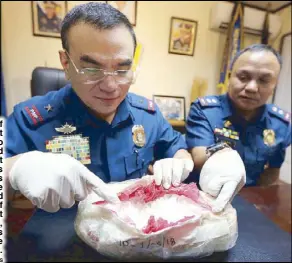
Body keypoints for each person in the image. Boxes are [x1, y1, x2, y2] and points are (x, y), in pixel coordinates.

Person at [4, 2, 194, 257]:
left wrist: (180, 161)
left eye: (122, 68)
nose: (111, 86)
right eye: (91, 68)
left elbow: (177, 147)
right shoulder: (31, 119)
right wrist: (15, 169)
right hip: (62, 248)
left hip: (136, 243)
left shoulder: (147, 114)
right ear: (65, 62)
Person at [186, 44, 291, 211]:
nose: (251, 87)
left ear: (274, 85)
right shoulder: (205, 110)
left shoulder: (280, 123)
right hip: (206, 200)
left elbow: (273, 170)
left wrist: (260, 200)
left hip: (251, 204)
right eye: (243, 77)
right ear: (229, 76)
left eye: (264, 80)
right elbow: (199, 157)